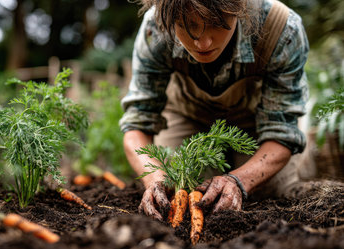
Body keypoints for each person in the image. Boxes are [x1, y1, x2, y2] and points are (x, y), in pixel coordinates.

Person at [119, 0, 310, 221]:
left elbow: (282, 134)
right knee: (182, 187)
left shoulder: (282, 28)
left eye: (216, 24)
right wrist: (155, 179)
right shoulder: (157, 27)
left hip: (254, 125)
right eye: (186, 26)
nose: (203, 43)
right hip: (186, 117)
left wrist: (238, 181)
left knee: (273, 193)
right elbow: (136, 126)